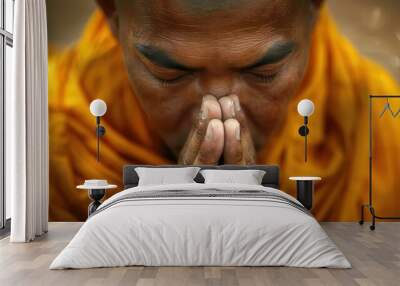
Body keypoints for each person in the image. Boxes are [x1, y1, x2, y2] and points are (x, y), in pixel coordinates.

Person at [49, 0, 400, 221]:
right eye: (170, 72)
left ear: (314, 9)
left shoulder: (376, 125)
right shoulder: (51, 140)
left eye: (264, 72)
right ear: (112, 12)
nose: (217, 107)